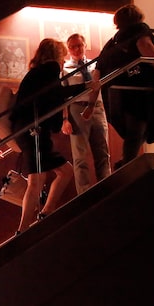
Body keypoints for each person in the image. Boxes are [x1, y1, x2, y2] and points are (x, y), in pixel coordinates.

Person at [9, 38, 98, 234]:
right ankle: (23, 229)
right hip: (33, 129)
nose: (64, 56)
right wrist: (85, 86)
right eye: (62, 53)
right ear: (56, 54)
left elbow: (48, 96)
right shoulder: (50, 68)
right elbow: (56, 93)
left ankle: (44, 214)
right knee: (37, 180)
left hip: (26, 128)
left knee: (63, 172)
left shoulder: (37, 71)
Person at [96, 3, 154, 171]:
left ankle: (125, 163)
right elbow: (145, 46)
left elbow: (98, 70)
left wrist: (91, 102)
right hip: (138, 92)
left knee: (138, 129)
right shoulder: (139, 30)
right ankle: (125, 167)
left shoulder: (112, 43)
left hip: (115, 96)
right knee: (138, 128)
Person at [61, 33, 111, 194]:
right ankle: (84, 193)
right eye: (73, 46)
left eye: (79, 45)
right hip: (77, 109)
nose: (77, 49)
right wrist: (65, 119)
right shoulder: (65, 69)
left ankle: (106, 189)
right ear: (68, 49)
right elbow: (63, 96)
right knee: (80, 156)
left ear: (84, 45)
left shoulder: (95, 65)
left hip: (97, 108)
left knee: (102, 151)